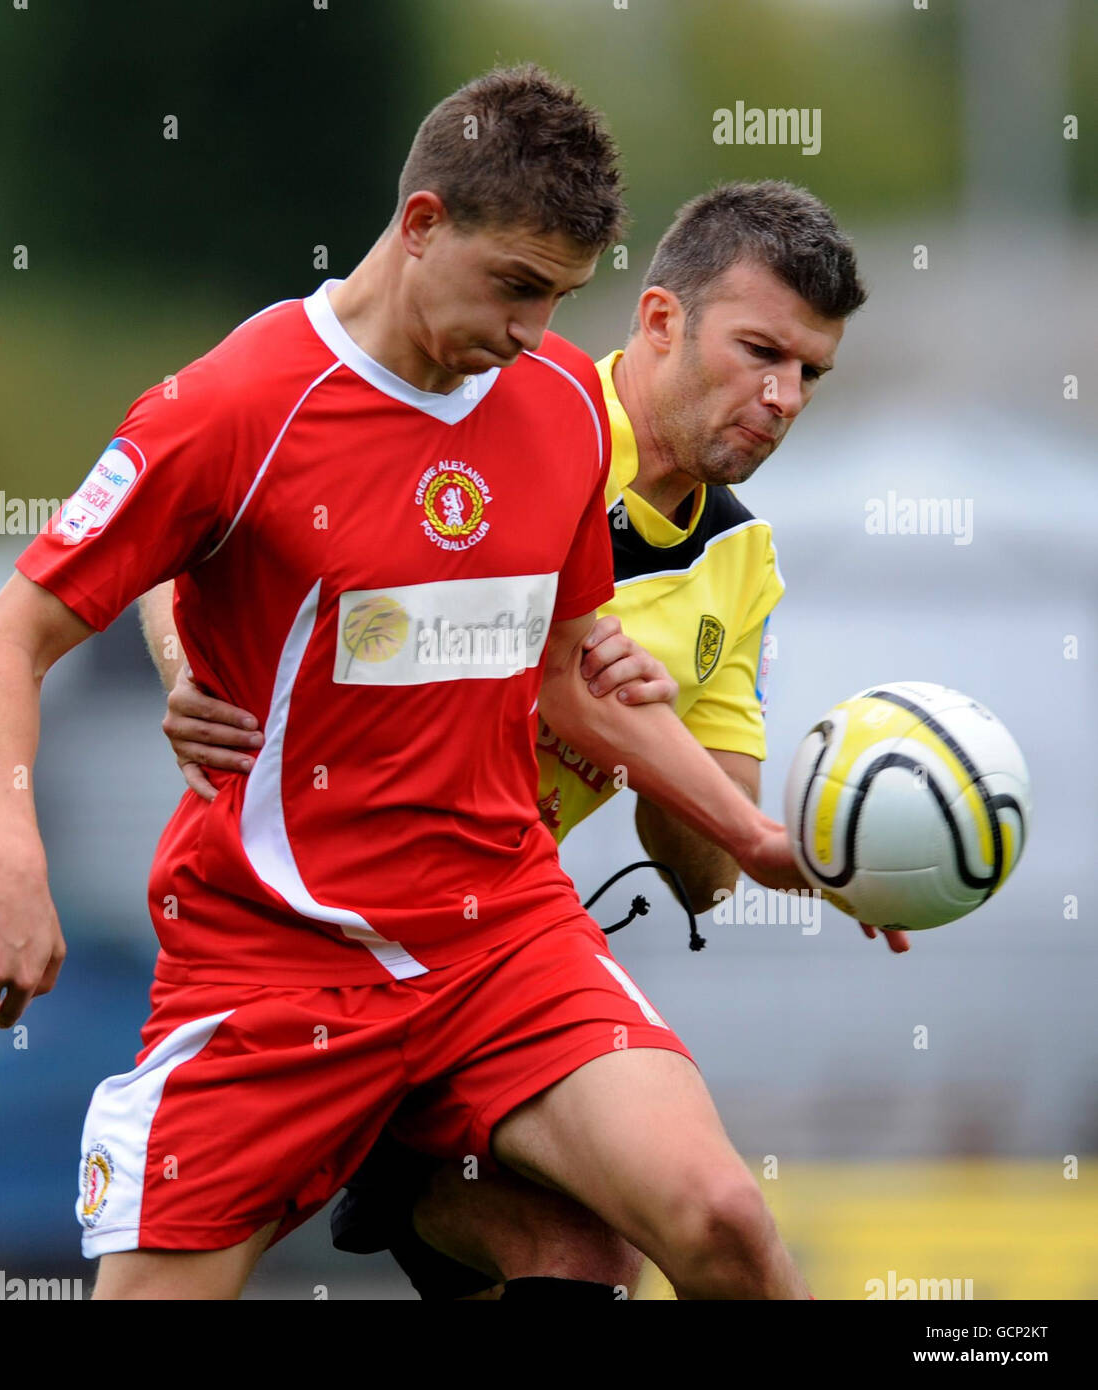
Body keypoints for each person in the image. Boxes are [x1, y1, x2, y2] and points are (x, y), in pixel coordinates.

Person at [0, 67, 816, 1301]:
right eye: (515, 287)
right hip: (273, 958)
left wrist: (752, 835)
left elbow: (564, 676)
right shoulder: (232, 406)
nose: (531, 334)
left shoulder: (559, 402)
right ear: (420, 227)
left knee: (718, 1221)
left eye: (560, 301)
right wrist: (12, 862)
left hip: (499, 935)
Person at [150, 181, 906, 1300]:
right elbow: (205, 504)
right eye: (760, 351)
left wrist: (670, 754)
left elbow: (699, 878)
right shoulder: (513, 406)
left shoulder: (741, 566)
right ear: (658, 321)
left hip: (491, 958)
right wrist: (187, 670)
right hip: (293, 935)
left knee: (651, 1238)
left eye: (809, 373)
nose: (782, 396)